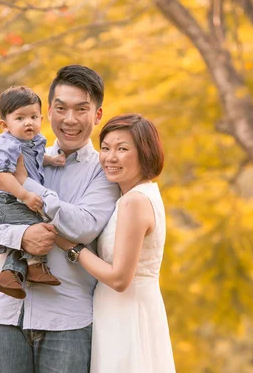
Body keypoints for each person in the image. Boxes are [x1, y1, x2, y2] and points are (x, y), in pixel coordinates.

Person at [0, 65, 120, 373]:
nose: (70, 119)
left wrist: (25, 185)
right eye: (61, 108)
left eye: (81, 109)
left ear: (96, 115)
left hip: (67, 322)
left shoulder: (104, 170)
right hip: (5, 315)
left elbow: (83, 226)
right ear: (48, 113)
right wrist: (21, 238)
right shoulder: (19, 151)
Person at [54, 113, 177, 372]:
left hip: (127, 314)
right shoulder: (139, 195)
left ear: (145, 153)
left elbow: (120, 279)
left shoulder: (134, 202)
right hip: (123, 310)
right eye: (106, 148)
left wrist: (70, 246)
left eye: (122, 149)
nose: (110, 157)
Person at [0, 85, 66, 298]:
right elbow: (2, 176)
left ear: (41, 118)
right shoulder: (7, 144)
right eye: (20, 118)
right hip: (4, 201)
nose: (28, 122)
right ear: (5, 125)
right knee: (34, 226)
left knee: (29, 226)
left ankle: (10, 275)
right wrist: (24, 195)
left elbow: (36, 158)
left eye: (33, 116)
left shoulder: (36, 141)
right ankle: (34, 266)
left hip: (16, 200)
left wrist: (51, 160)